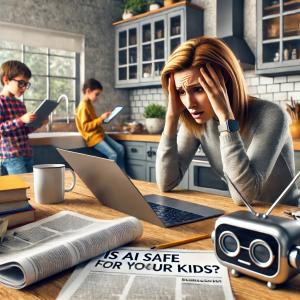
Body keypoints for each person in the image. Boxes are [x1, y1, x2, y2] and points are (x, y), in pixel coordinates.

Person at [156, 36, 299, 206]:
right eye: (180, 92)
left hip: (283, 218)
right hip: (241, 216)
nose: (189, 103)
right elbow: (166, 183)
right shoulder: (198, 118)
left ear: (225, 83)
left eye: (198, 89)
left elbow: (244, 196)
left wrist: (225, 117)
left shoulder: (273, 114)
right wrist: (171, 118)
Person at [0, 60, 44, 175]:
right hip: (11, 156)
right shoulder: (0, 102)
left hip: (26, 153)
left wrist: (38, 123)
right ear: (6, 80)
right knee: (23, 188)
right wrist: (21, 120)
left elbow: (24, 130)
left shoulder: (20, 104)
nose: (24, 88)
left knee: (30, 187)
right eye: (21, 83)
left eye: (26, 84)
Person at [75, 78, 125, 171]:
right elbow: (85, 127)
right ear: (88, 91)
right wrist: (101, 118)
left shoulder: (88, 103)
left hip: (99, 134)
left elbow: (93, 121)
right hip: (93, 138)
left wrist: (103, 119)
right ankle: (113, 177)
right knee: (113, 154)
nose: (97, 97)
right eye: (96, 94)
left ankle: (123, 174)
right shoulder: (83, 106)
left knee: (120, 149)